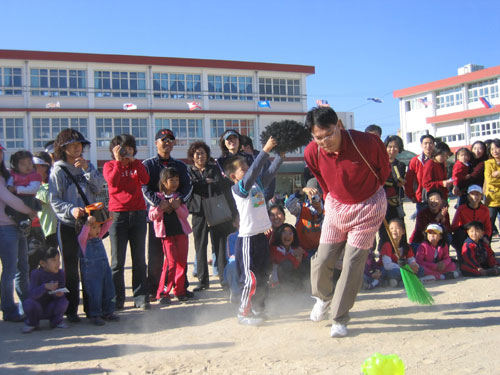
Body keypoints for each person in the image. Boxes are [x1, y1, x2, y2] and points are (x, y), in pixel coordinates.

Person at [304, 106, 390, 338]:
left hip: (368, 206)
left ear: (339, 125)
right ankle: (323, 297)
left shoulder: (368, 143)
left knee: (352, 263)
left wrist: (367, 191)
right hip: (336, 205)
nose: (325, 141)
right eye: (318, 137)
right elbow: (320, 178)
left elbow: (384, 171)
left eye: (329, 134)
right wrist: (331, 197)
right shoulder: (313, 151)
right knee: (322, 259)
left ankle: (340, 318)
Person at [224, 136, 284, 326]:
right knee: (249, 279)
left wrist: (280, 156)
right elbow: (255, 171)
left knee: (262, 275)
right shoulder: (238, 188)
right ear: (233, 176)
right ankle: (243, 312)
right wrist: (265, 149)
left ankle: (257, 307)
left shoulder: (256, 185)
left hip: (261, 238)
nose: (248, 169)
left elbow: (270, 172)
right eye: (243, 168)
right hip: (248, 239)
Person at [49, 129, 104, 323]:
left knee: (90, 267)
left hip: (89, 224)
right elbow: (54, 200)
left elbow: (99, 188)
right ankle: (71, 310)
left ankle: (93, 310)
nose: (77, 148)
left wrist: (88, 170)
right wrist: (71, 210)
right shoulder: (58, 170)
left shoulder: (87, 166)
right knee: (71, 268)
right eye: (72, 145)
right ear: (63, 148)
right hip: (68, 225)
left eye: (79, 145)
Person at [142, 129, 192, 300]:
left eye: (171, 140)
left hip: (177, 217)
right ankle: (156, 289)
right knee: (156, 255)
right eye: (163, 140)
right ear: (156, 143)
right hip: (158, 217)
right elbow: (144, 188)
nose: (167, 143)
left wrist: (180, 201)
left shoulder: (180, 166)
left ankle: (181, 287)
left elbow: (187, 187)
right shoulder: (148, 165)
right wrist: (158, 203)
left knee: (180, 256)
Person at [103, 134, 150, 310]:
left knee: (139, 259)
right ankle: (117, 298)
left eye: (130, 148)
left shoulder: (137, 165)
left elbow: (146, 180)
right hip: (118, 216)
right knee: (117, 261)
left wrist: (135, 162)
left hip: (138, 214)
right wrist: (117, 162)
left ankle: (140, 296)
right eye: (123, 149)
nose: (127, 152)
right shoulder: (109, 165)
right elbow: (113, 183)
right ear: (115, 150)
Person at [187, 141, 234, 291]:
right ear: (192, 156)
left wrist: (201, 184)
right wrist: (204, 182)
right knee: (200, 246)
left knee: (220, 246)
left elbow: (221, 184)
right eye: (197, 153)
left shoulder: (214, 168)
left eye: (202, 153)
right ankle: (203, 281)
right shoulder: (189, 170)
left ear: (207, 155)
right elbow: (189, 186)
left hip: (216, 209)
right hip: (198, 211)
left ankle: (223, 279)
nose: (200, 156)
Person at [0, 143, 37, 322]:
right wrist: (29, 211)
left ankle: (25, 305)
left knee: (23, 266)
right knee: (10, 270)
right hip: (5, 227)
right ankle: (9, 309)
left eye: (0, 152)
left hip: (18, 225)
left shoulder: (6, 174)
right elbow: (9, 199)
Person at [149, 167, 193, 303]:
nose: (174, 183)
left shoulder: (179, 198)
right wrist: (160, 208)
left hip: (181, 234)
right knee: (171, 263)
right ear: (163, 182)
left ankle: (180, 290)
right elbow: (151, 216)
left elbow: (185, 215)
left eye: (177, 180)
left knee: (182, 262)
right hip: (167, 236)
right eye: (171, 180)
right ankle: (163, 292)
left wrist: (177, 207)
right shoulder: (157, 198)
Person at [76, 213, 119, 326]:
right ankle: (95, 314)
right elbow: (82, 235)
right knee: (95, 293)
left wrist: (110, 218)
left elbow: (107, 226)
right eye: (94, 227)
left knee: (109, 290)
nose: (98, 230)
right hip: (92, 273)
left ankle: (108, 311)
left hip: (104, 269)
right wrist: (87, 223)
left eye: (98, 226)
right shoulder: (83, 241)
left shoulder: (99, 237)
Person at [22, 246, 69, 333]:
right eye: (54, 260)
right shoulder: (36, 274)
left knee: (63, 301)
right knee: (28, 303)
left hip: (51, 306)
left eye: (59, 260)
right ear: (43, 263)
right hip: (37, 306)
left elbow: (62, 290)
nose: (58, 263)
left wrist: (59, 294)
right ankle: (32, 323)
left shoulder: (61, 273)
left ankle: (56, 321)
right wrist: (44, 287)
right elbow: (32, 295)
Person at [451, 185, 491, 262]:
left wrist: (486, 236)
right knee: (459, 234)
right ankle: (461, 256)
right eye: (472, 194)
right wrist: (467, 227)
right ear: (468, 196)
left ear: (481, 196)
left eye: (477, 194)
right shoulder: (461, 208)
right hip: (465, 234)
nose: (475, 197)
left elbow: (488, 227)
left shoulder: (485, 210)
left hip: (479, 235)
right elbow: (454, 226)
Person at [5, 150, 42, 235]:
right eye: (23, 164)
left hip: (28, 199)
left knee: (24, 211)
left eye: (29, 163)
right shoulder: (13, 174)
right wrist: (9, 186)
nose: (27, 166)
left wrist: (16, 188)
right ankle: (20, 222)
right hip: (16, 197)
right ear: (16, 166)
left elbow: (33, 189)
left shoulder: (34, 176)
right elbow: (10, 181)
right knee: (11, 208)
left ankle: (25, 223)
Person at [379, 135, 407, 247]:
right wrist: (395, 182)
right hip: (382, 202)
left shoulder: (400, 164)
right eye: (390, 146)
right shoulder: (380, 163)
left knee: (400, 228)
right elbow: (382, 180)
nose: (392, 149)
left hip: (396, 202)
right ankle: (384, 254)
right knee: (384, 230)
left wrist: (398, 182)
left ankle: (402, 252)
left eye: (395, 147)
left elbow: (400, 180)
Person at [380, 219, 424, 287]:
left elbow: (411, 260)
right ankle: (401, 281)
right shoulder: (387, 246)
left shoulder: (406, 246)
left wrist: (414, 265)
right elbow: (387, 265)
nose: (394, 230)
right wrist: (406, 268)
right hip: (391, 269)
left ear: (403, 231)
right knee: (393, 273)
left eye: (397, 228)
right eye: (391, 228)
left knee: (420, 269)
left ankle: (399, 282)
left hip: (404, 269)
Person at [240, 135, 276, 202]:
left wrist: (259, 201)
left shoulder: (262, 159)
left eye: (241, 150)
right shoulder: (242, 160)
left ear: (248, 147)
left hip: (259, 200)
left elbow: (270, 180)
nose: (240, 153)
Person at [405, 134, 435, 213]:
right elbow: (409, 180)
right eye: (425, 143)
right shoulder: (415, 161)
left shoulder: (438, 159)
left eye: (430, 143)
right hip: (421, 198)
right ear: (421, 145)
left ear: (434, 145)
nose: (428, 145)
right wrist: (411, 195)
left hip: (437, 196)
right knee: (422, 222)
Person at [269, 223, 306, 288]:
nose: (287, 236)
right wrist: (295, 257)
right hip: (277, 281)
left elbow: (304, 254)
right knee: (287, 264)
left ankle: (303, 284)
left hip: (291, 277)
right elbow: (281, 260)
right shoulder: (275, 249)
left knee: (306, 261)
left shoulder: (293, 248)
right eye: (284, 232)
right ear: (279, 235)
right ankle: (284, 288)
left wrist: (301, 252)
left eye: (290, 233)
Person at [483, 139, 500, 238]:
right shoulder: (488, 163)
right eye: (492, 149)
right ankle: (487, 250)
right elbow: (489, 180)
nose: (495, 151)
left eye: (497, 147)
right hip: (492, 199)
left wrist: (497, 174)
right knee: (489, 225)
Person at [224, 216, 240, 304]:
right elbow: (230, 255)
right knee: (232, 265)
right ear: (234, 224)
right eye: (239, 219)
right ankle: (235, 292)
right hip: (237, 261)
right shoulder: (231, 237)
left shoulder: (253, 235)